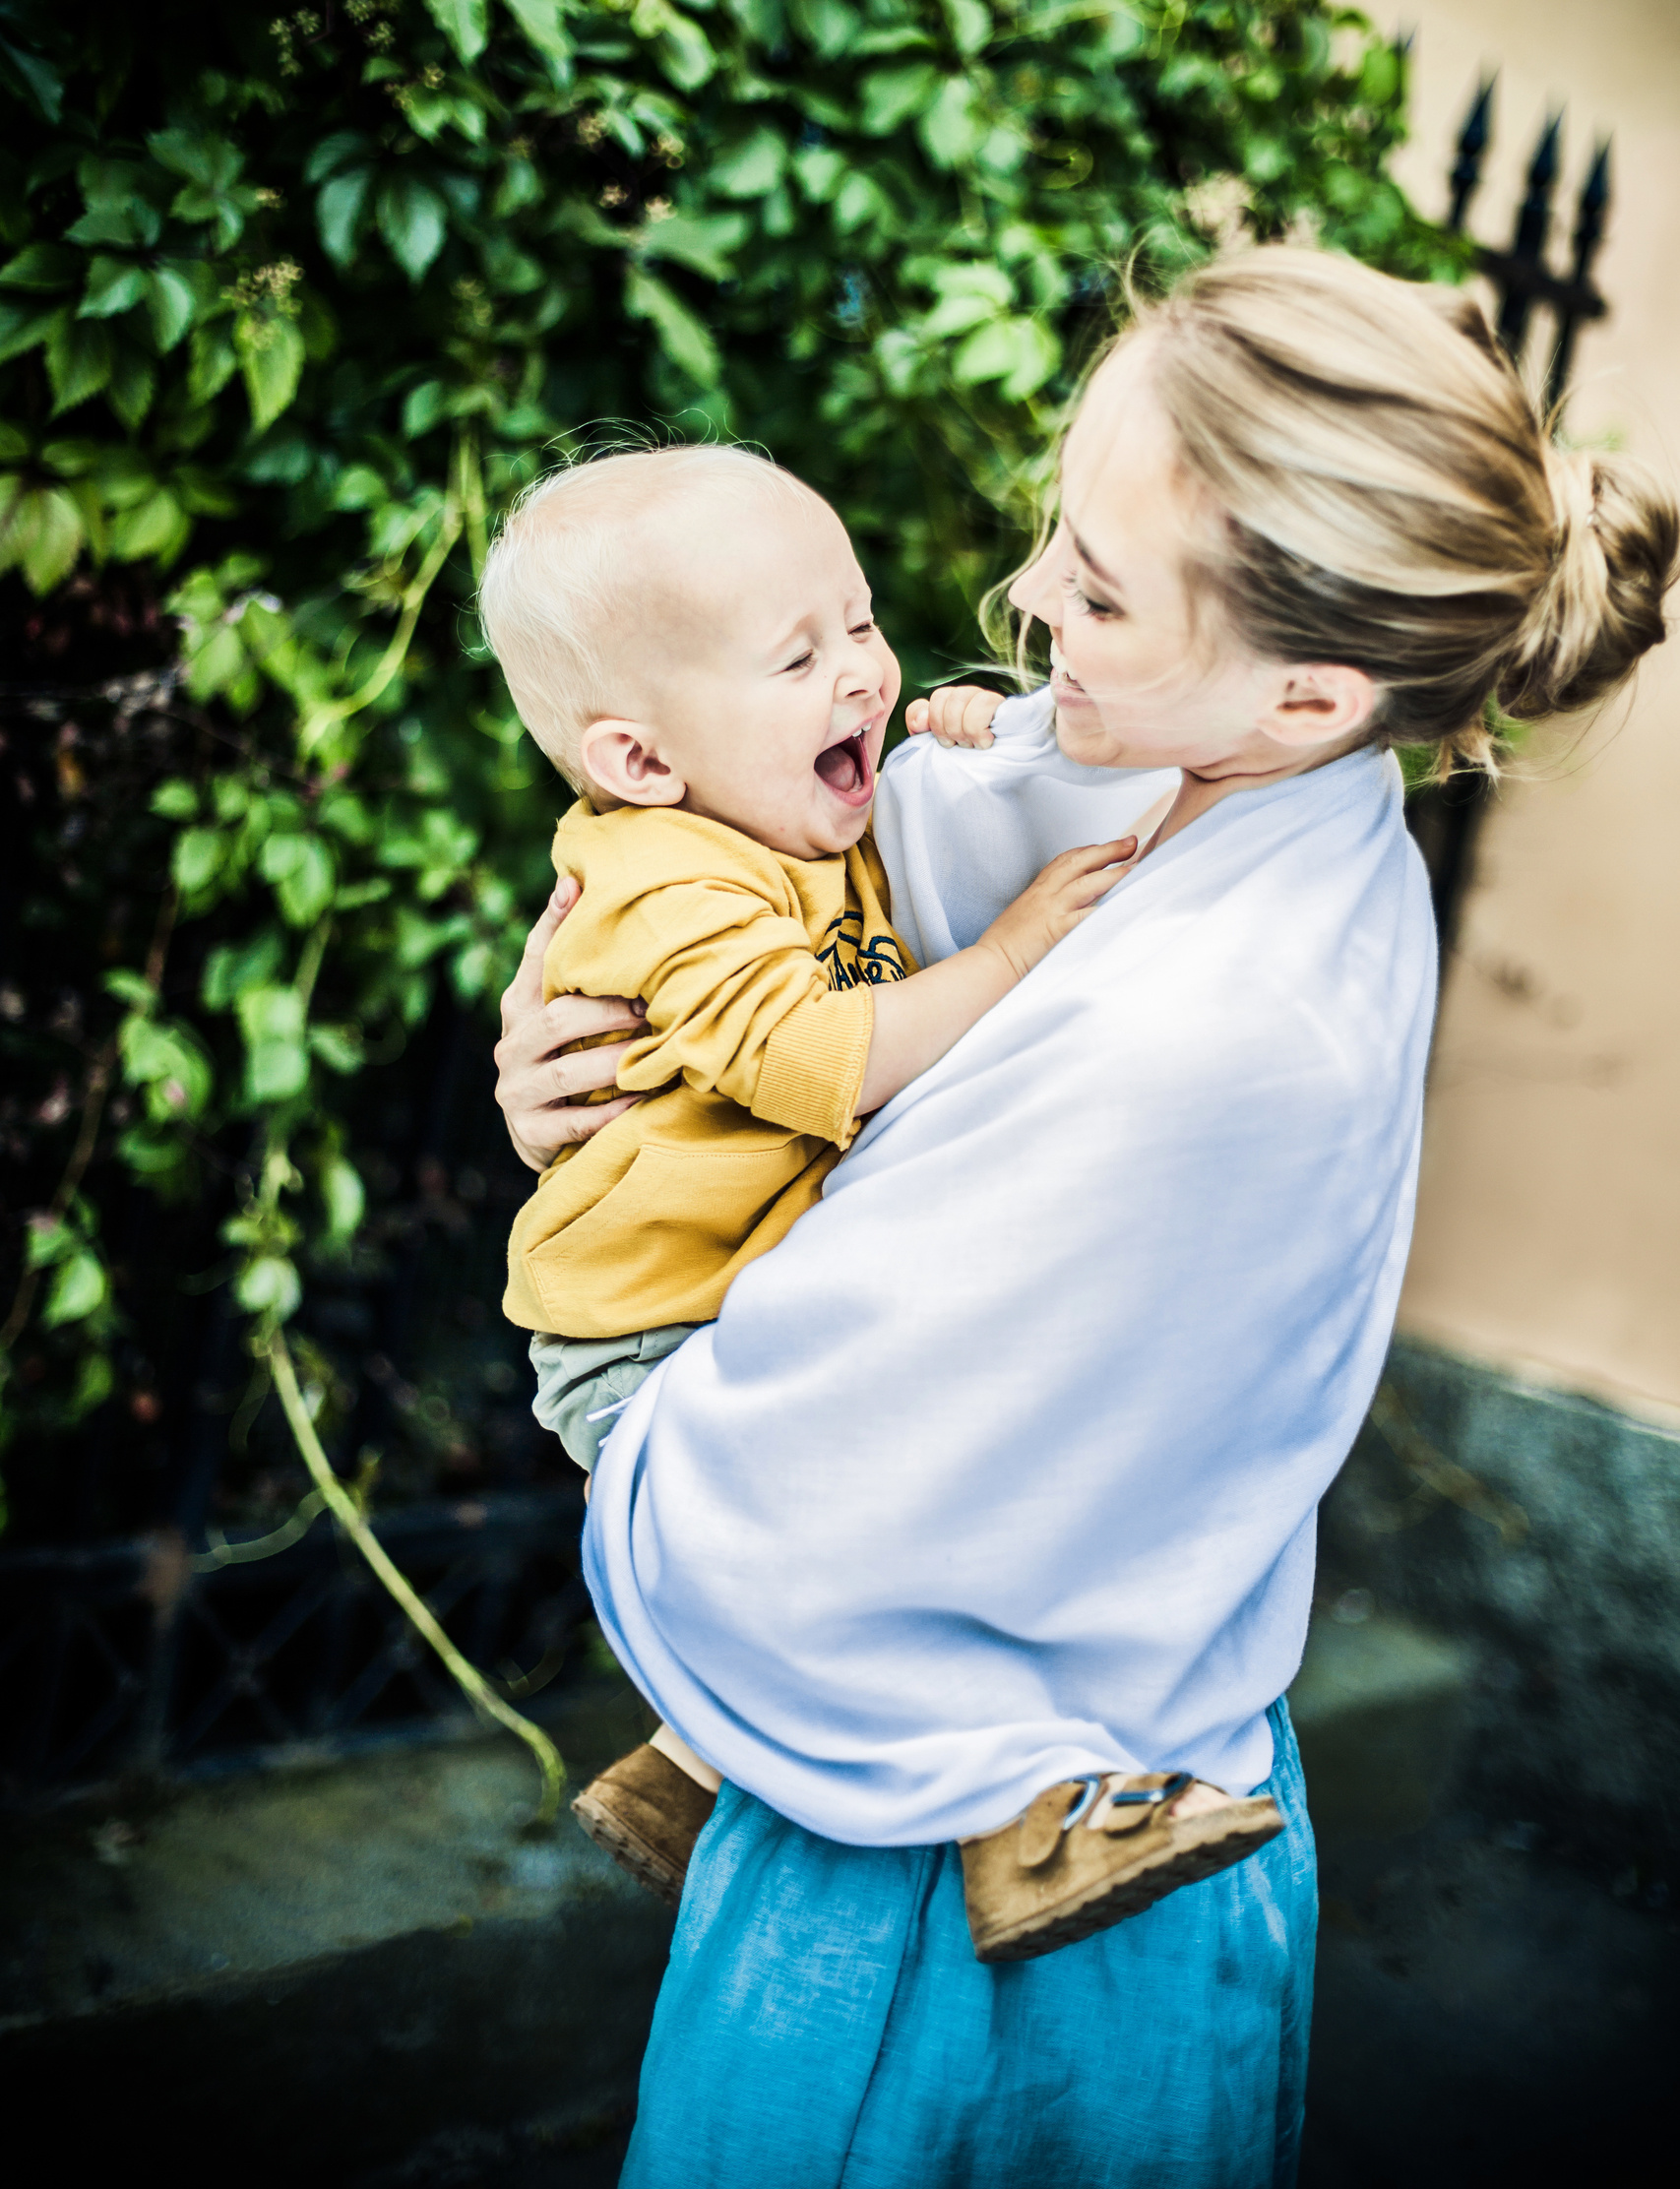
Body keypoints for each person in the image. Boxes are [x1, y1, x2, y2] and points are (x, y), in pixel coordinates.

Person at [492, 248, 1677, 2186]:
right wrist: (582, 1053)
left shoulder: (1219, 1035)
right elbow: (797, 900)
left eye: (1098, 584)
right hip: (984, 1761)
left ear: (1308, 682)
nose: (1029, 591)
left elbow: (800, 1522)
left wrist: (620, 1308)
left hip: (950, 1905)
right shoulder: (1194, 779)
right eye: (1064, 526)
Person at [476, 445, 1278, 1952]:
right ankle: (1030, 1831)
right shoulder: (671, 883)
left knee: (875, 1527)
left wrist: (980, 758)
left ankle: (687, 1772)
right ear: (643, 760)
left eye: (858, 622)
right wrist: (1016, 949)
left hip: (742, 1300)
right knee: (903, 1538)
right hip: (649, 1338)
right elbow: (831, 1053)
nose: (861, 669)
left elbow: (921, 872)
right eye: (799, 654)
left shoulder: (775, 821)